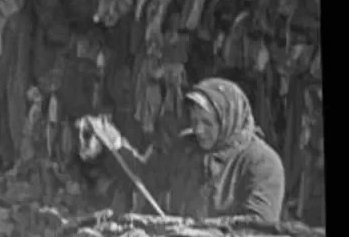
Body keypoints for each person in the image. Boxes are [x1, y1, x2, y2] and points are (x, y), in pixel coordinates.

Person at [87, 77, 285, 222]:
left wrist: (196, 231)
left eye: (207, 123)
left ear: (228, 120)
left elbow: (259, 225)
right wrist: (115, 144)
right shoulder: (186, 147)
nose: (198, 130)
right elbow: (147, 179)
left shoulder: (262, 162)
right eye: (195, 120)